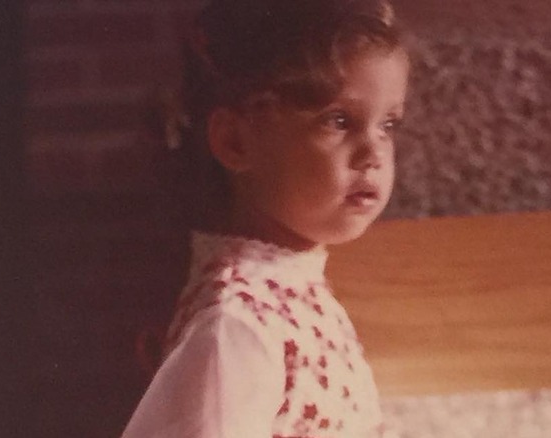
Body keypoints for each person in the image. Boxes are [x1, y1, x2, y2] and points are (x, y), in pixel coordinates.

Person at [122, 0, 409, 436]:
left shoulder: (289, 288)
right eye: (338, 121)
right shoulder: (236, 325)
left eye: (387, 125)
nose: (373, 155)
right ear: (236, 142)